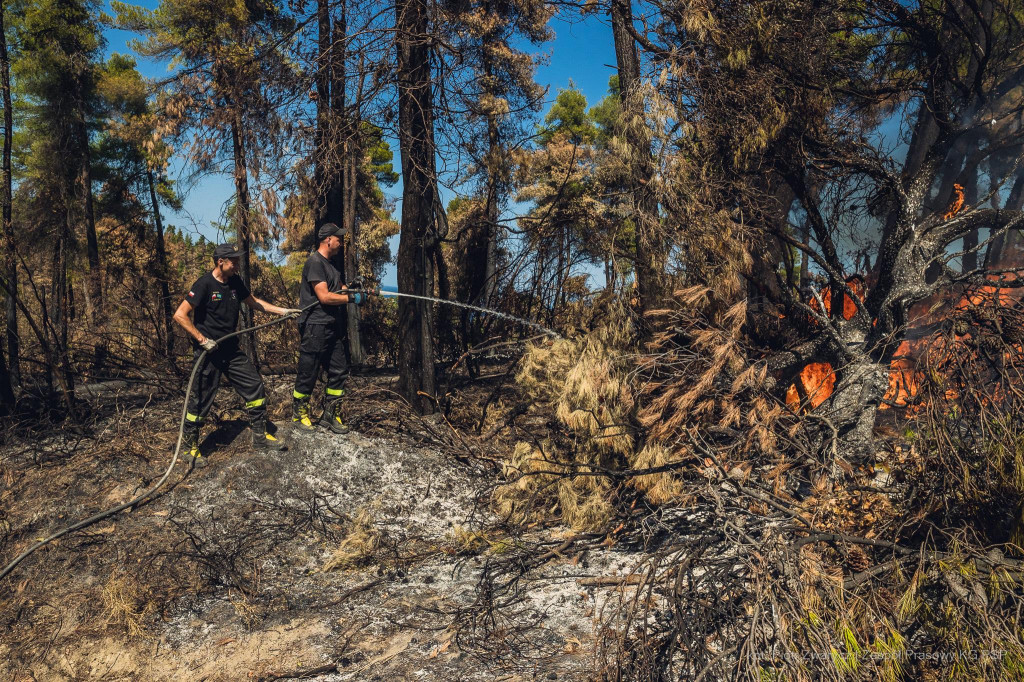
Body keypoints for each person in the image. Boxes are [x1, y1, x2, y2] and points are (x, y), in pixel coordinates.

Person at [173, 243, 302, 466]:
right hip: (208, 352)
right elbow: (180, 315)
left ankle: (260, 437)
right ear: (220, 262)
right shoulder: (204, 284)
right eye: (233, 261)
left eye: (238, 261)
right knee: (201, 399)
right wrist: (202, 340)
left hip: (230, 349)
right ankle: (188, 447)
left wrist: (283, 311)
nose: (237, 265)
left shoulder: (235, 282)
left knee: (254, 385)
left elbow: (254, 302)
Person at [292, 223, 374, 433]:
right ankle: (299, 414)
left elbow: (341, 290)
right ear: (328, 239)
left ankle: (330, 414)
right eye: (338, 238)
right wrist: (352, 299)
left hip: (332, 327)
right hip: (315, 326)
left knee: (339, 369)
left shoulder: (331, 266)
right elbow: (325, 297)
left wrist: (359, 293)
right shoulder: (315, 263)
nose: (341, 242)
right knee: (309, 371)